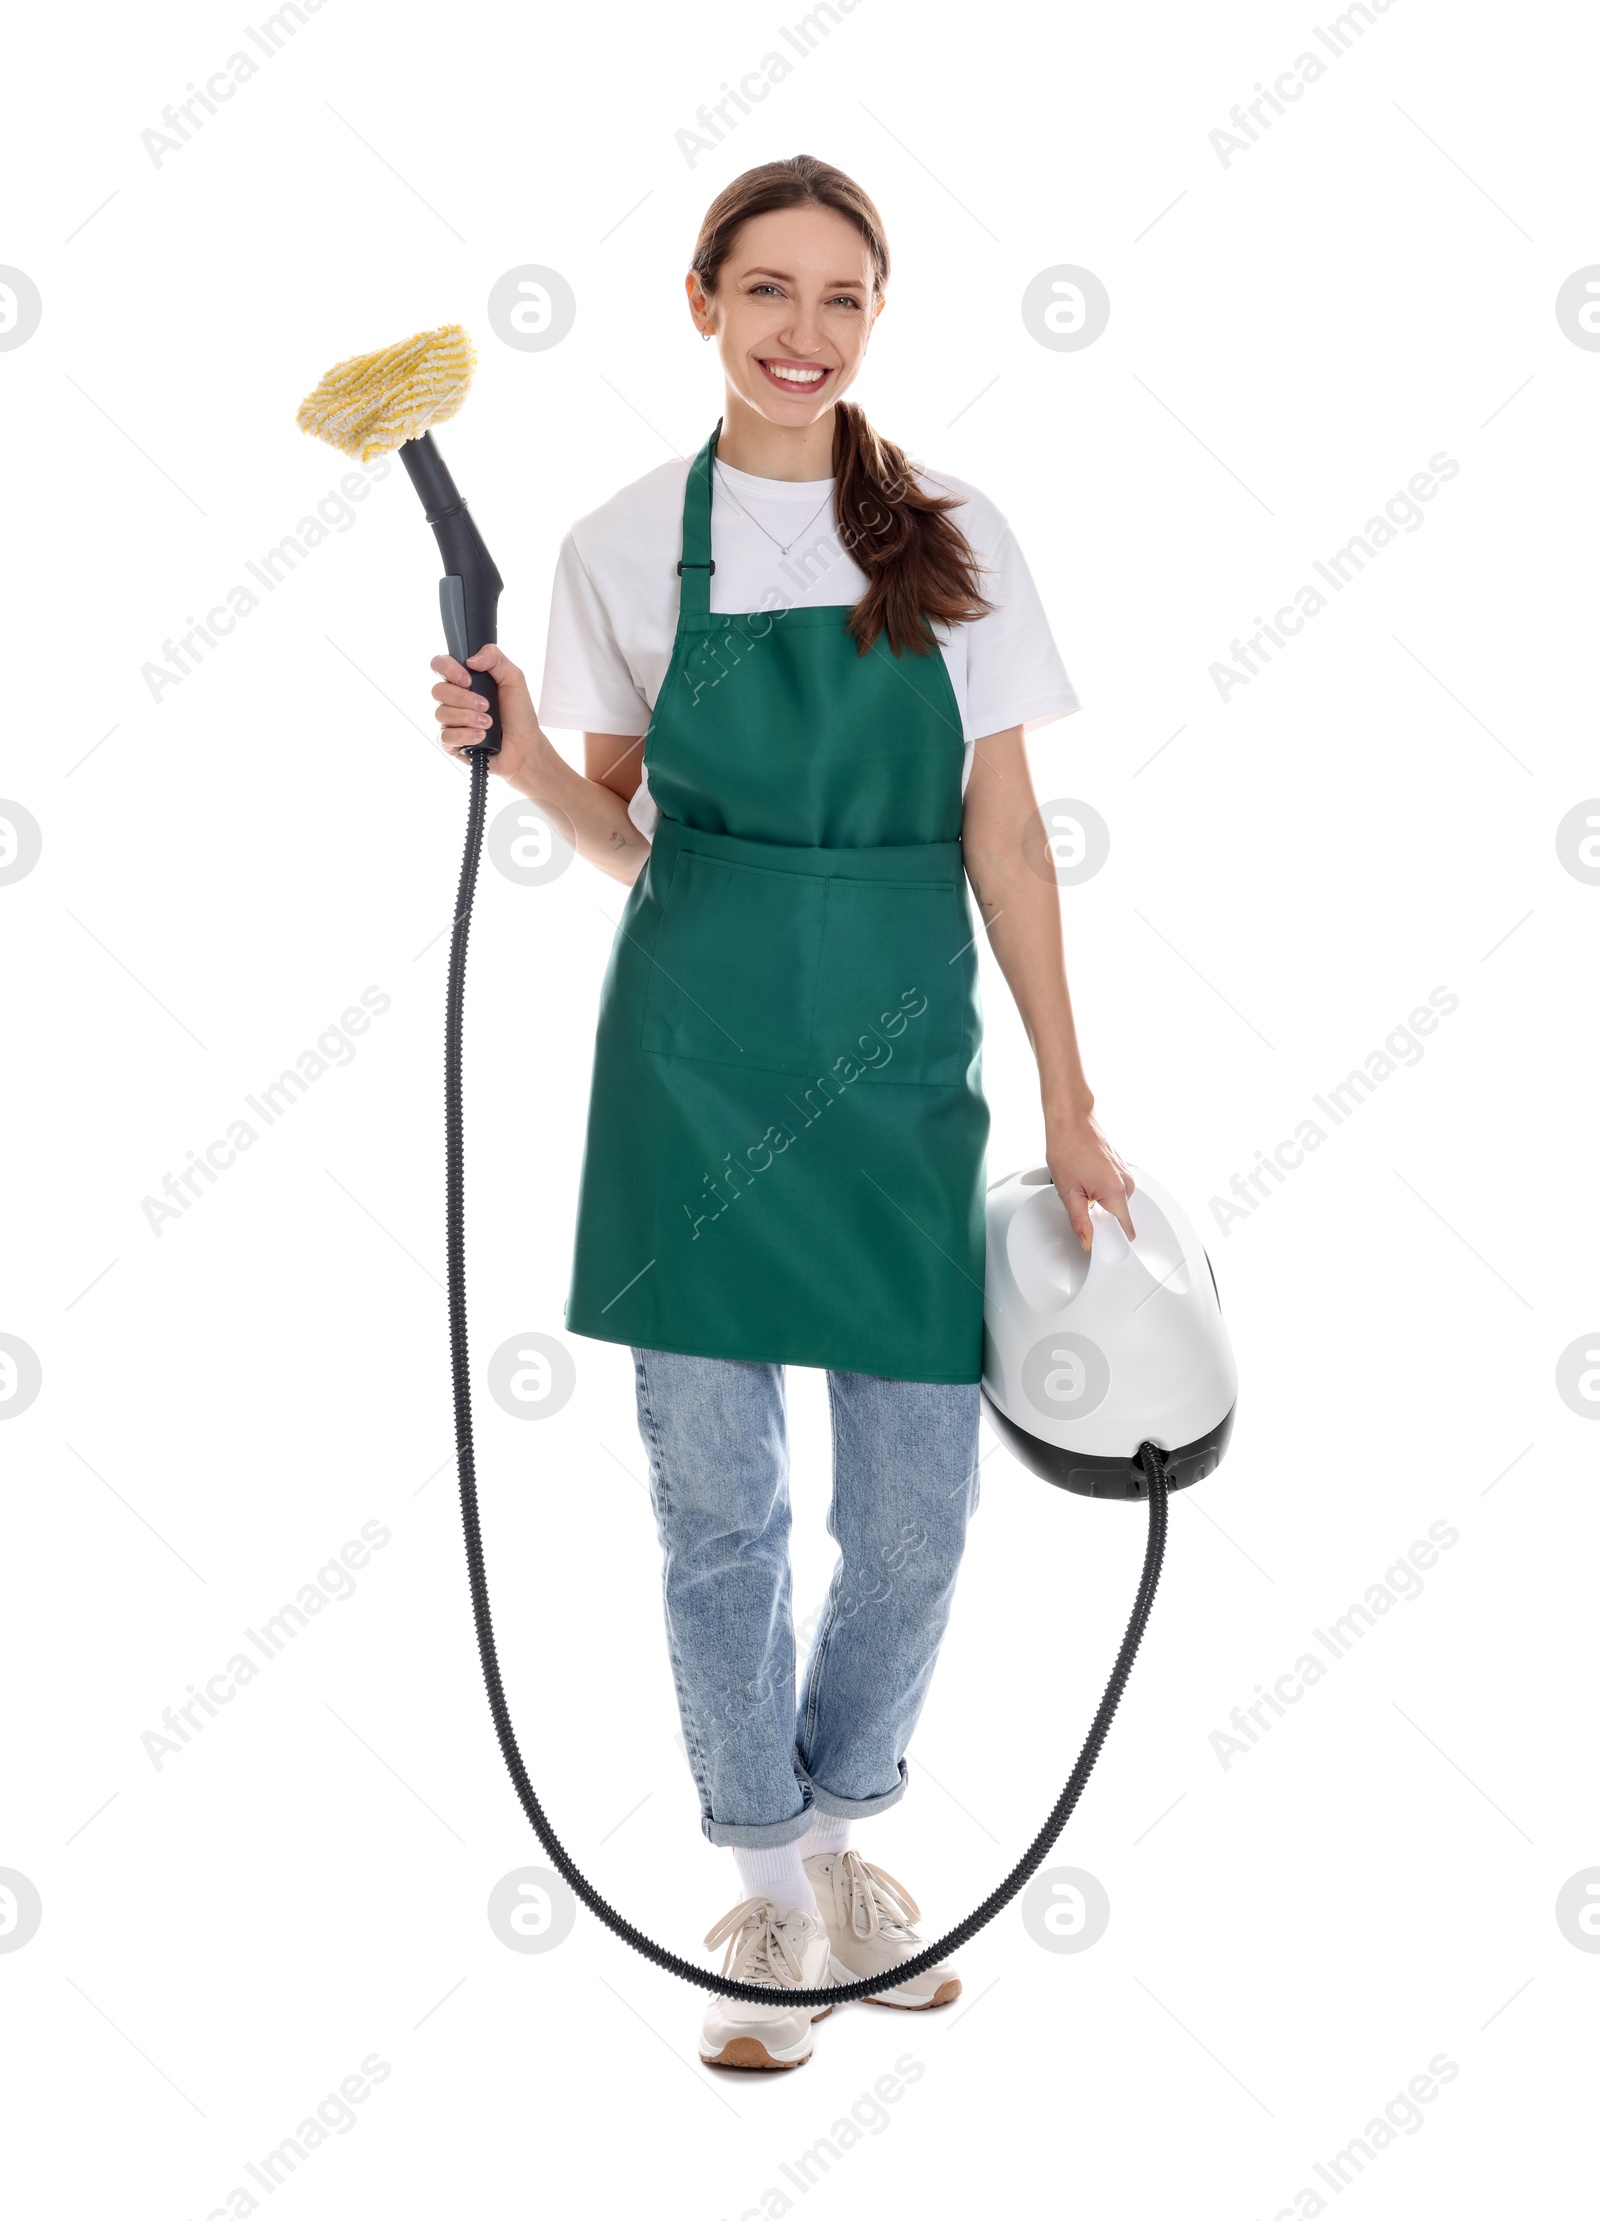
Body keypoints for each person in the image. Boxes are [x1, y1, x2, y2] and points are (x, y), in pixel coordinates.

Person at [428, 153, 1134, 2072]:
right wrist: (510, 745)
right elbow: (622, 825)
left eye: (841, 297)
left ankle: (838, 1824)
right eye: (767, 292)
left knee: (914, 1516)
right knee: (717, 1511)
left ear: (874, 320)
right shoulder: (617, 541)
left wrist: (1070, 1100)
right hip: (687, 1068)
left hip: (902, 1076)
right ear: (701, 304)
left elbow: (1004, 832)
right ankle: (772, 1884)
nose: (802, 333)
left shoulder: (959, 531)